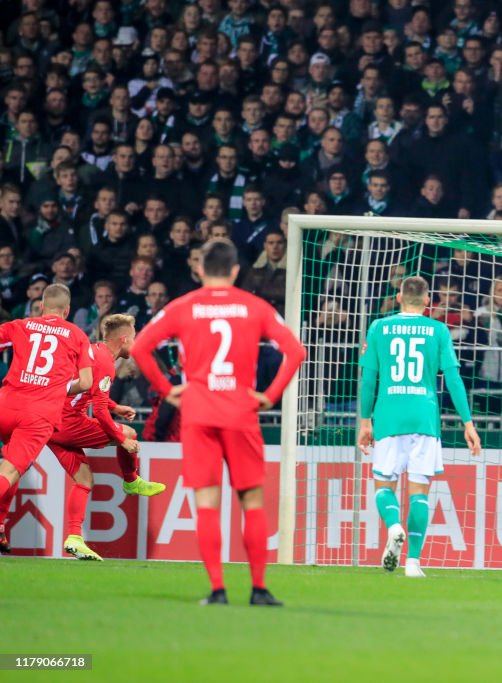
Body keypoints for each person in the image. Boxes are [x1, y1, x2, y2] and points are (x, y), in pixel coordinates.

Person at [131, 240, 306, 606]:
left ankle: (217, 590)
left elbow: (139, 347)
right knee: (251, 501)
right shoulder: (254, 306)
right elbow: (296, 350)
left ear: (200, 270)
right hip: (240, 411)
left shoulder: (183, 307)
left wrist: (168, 389)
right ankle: (259, 590)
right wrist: (270, 395)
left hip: (198, 412)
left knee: (207, 501)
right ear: (235, 271)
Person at [357, 275, 481, 578]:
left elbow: (368, 379)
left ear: (399, 297)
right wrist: (468, 422)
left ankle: (394, 526)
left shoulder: (378, 328)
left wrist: (364, 421)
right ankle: (413, 563)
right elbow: (453, 377)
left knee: (383, 487)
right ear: (428, 301)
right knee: (419, 494)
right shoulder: (438, 330)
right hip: (424, 418)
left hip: (389, 417)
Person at [44, 314, 165, 561]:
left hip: (49, 423)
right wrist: (122, 440)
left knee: (84, 479)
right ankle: (131, 480)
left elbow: (89, 392)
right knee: (129, 433)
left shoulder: (92, 351)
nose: (136, 344)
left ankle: (75, 538)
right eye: (134, 338)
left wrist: (115, 406)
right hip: (68, 422)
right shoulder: (107, 362)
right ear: (123, 339)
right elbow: (98, 412)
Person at [0, 284, 93, 552]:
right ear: (67, 310)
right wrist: (59, 386)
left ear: (41, 307)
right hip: (38, 414)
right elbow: (86, 382)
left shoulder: (22, 325)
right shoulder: (77, 335)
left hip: (7, 404)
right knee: (10, 469)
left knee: (14, 466)